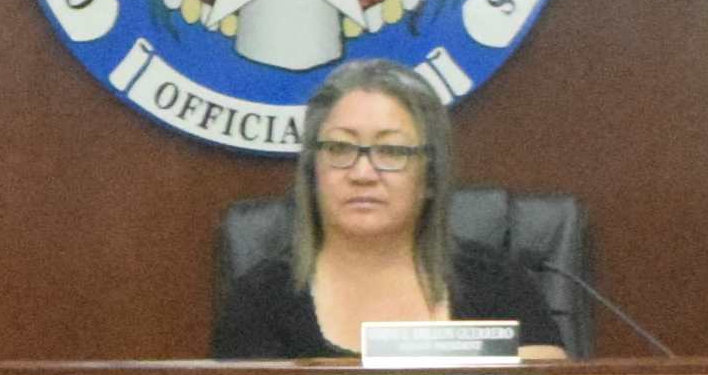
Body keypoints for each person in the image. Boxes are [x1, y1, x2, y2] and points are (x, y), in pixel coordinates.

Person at [209, 59, 566, 358]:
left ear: (430, 176)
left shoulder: (499, 286)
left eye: (391, 152)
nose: (363, 173)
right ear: (312, 170)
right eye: (339, 148)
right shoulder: (260, 301)